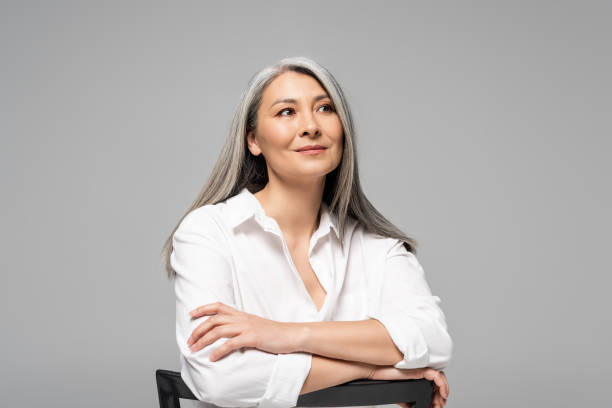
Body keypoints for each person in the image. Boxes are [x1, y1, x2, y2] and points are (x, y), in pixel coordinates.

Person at [161, 56, 452, 408]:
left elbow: (432, 339)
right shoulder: (207, 232)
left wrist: (284, 335)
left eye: (325, 108)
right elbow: (219, 379)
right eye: (287, 112)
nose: (311, 126)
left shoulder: (379, 247)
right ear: (253, 140)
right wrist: (371, 368)